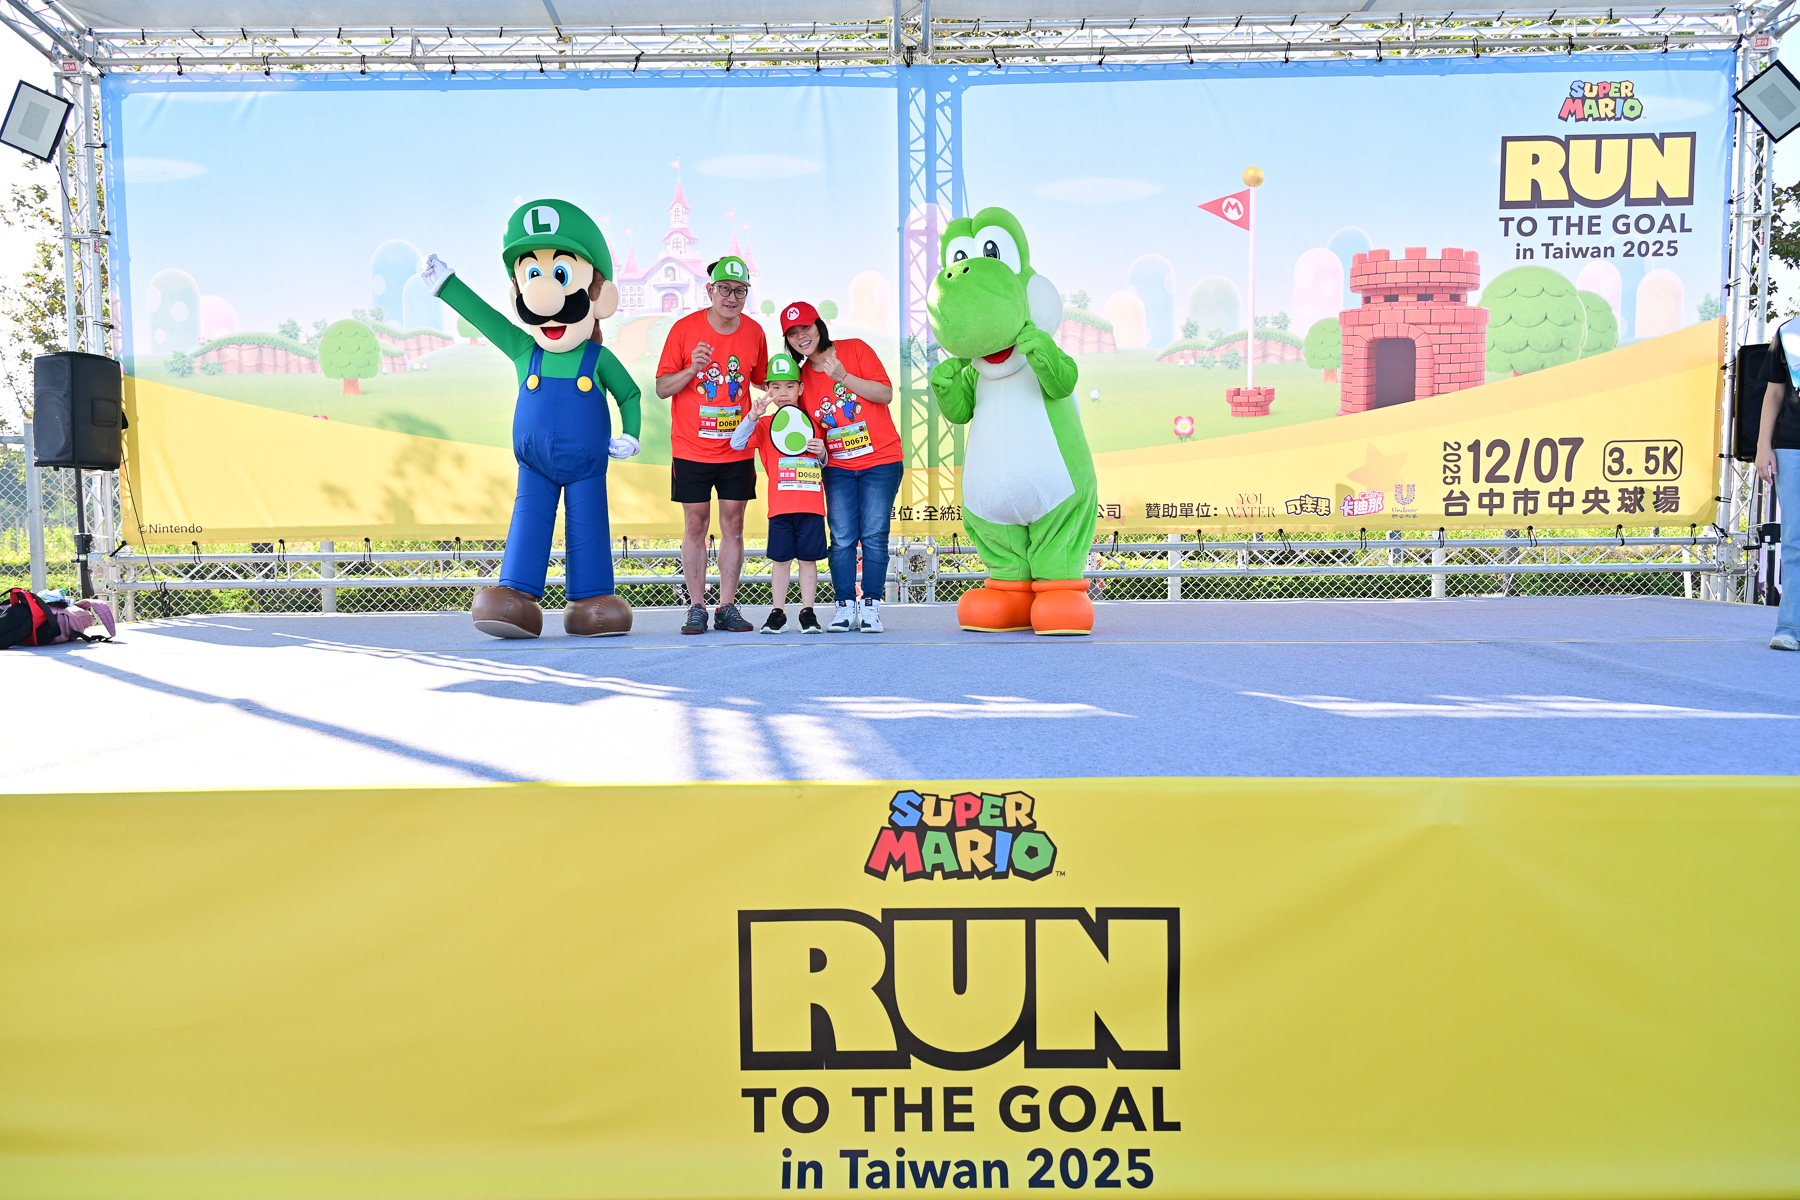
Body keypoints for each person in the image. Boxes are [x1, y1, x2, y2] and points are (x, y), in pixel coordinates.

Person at [656, 256, 769, 634]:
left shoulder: (754, 332)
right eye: (725, 289)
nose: (732, 297)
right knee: (696, 524)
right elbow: (662, 388)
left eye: (740, 291)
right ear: (710, 290)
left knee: (734, 524)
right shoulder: (684, 329)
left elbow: (762, 380)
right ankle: (696, 607)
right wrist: (692, 369)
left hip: (737, 448)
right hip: (692, 449)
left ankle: (727, 606)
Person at [780, 300, 898, 633]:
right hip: (838, 467)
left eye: (806, 328)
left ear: (819, 325)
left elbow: (885, 394)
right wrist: (818, 451)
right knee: (843, 537)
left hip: (881, 461)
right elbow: (813, 427)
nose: (801, 337)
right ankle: (844, 606)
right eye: (792, 333)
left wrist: (843, 377)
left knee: (874, 536)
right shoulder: (802, 377)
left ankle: (871, 606)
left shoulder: (855, 349)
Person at [729, 352, 828, 633]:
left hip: (811, 507)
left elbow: (824, 462)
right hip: (780, 507)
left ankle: (808, 612)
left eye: (789, 386)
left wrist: (822, 454)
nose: (782, 393)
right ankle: (778, 612)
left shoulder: (815, 423)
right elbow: (737, 443)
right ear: (766, 390)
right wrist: (752, 415)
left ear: (801, 388)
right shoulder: (763, 424)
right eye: (775, 387)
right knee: (781, 560)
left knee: (808, 561)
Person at [1755, 320, 1800, 651]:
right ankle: (1790, 627)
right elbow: (1774, 391)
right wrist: (1762, 446)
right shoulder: (1791, 332)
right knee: (1796, 541)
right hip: (1792, 446)